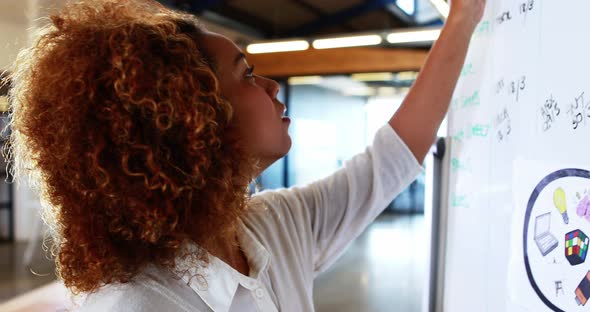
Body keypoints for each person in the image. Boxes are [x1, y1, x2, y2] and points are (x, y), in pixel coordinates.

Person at [6, 0, 484, 311]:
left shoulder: (275, 224)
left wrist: (463, 18)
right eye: (248, 74)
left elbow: (392, 157)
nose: (273, 86)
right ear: (191, 118)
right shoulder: (136, 303)